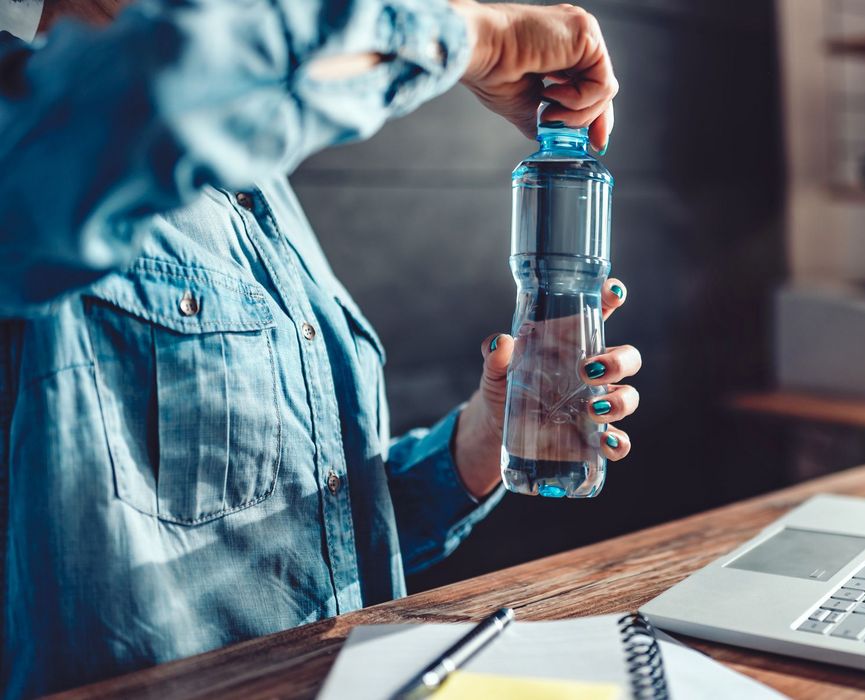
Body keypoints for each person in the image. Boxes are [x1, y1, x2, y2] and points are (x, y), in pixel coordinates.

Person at [0, 0, 639, 695]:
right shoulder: (31, 134)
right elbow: (164, 91)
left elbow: (302, 531)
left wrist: (479, 444)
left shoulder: (259, 185)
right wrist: (476, 34)